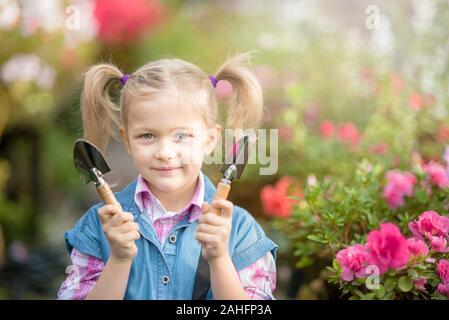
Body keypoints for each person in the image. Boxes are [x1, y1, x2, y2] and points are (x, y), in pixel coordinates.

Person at [58, 53, 278, 300]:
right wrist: (118, 260)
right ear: (128, 140)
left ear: (210, 140)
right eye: (147, 136)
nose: (164, 152)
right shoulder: (98, 227)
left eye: (182, 136)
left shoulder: (241, 231)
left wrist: (219, 259)